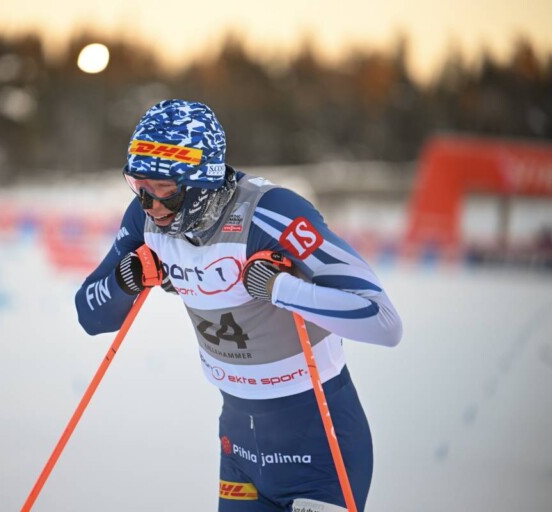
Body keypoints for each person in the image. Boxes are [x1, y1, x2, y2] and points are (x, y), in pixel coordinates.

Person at [75, 99, 402, 511]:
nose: (153, 206)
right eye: (140, 188)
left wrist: (281, 290)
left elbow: (384, 322)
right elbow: (89, 313)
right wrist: (127, 280)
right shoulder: (146, 220)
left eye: (167, 194)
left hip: (319, 441)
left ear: (202, 182)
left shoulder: (272, 214)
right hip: (239, 446)